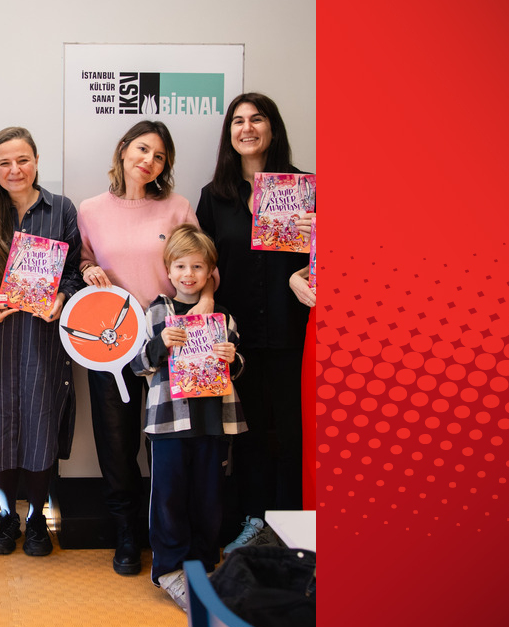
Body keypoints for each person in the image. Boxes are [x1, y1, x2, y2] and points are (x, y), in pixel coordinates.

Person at [77, 120, 215, 575]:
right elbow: (84, 259)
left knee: (167, 446)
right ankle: (126, 535)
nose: (148, 161)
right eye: (141, 149)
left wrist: (207, 305)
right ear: (122, 150)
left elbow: (204, 266)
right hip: (110, 342)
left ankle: (167, 536)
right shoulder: (90, 209)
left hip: (171, 342)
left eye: (159, 156)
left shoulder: (178, 207)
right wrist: (87, 269)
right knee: (115, 443)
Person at [0, 127, 83, 557]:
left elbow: (76, 271)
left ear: (37, 160)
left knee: (40, 426)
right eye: (4, 162)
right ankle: (7, 516)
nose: (15, 169)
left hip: (43, 338)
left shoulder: (61, 210)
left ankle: (37, 517)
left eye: (22, 160)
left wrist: (62, 297)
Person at [195, 92, 313, 551]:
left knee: (293, 430)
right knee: (246, 434)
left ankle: (294, 527)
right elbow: (203, 262)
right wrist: (205, 301)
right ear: (229, 134)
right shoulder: (214, 196)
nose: (247, 128)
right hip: (235, 338)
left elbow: (335, 261)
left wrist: (315, 245)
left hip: (295, 332)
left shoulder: (308, 189)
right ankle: (254, 522)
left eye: (257, 119)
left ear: (272, 128)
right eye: (238, 121)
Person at [130, 224, 244, 612]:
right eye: (181, 266)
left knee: (209, 497)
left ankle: (202, 564)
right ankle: (169, 569)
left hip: (214, 422)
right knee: (169, 497)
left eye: (198, 267)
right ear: (168, 269)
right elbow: (138, 364)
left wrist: (234, 360)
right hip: (169, 425)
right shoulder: (157, 310)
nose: (189, 275)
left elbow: (239, 365)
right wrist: (161, 344)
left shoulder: (223, 316)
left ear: (210, 272)